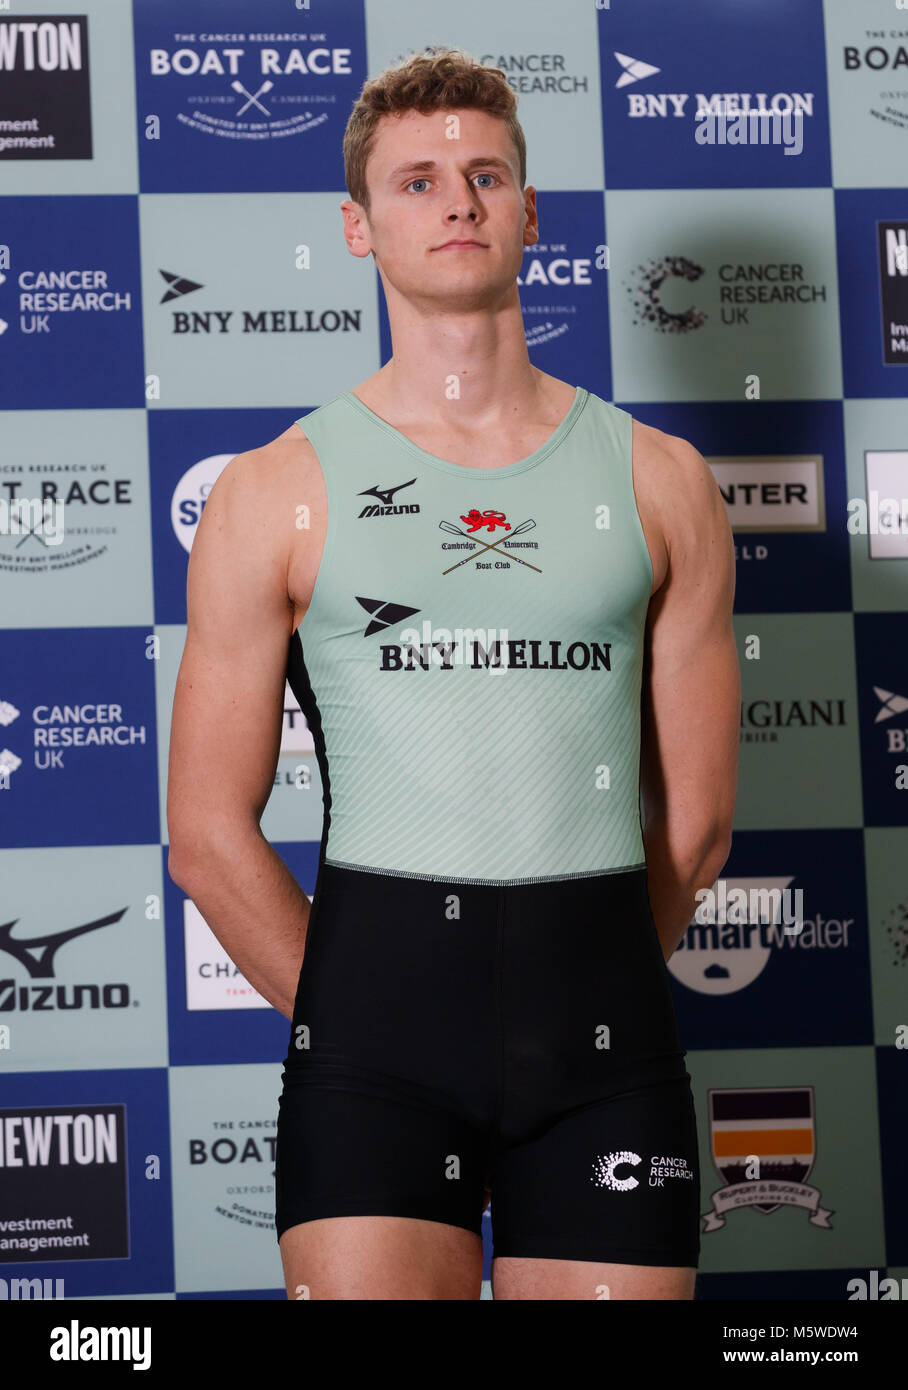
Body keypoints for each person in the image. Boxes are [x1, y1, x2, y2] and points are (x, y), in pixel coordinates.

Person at [167, 47, 739, 1301]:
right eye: (416, 181)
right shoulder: (274, 493)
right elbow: (206, 831)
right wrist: (371, 1020)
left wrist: (567, 991)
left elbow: (692, 830)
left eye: (486, 175)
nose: (458, 201)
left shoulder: (661, 481)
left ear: (531, 213)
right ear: (359, 227)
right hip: (372, 1062)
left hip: (606, 1063)